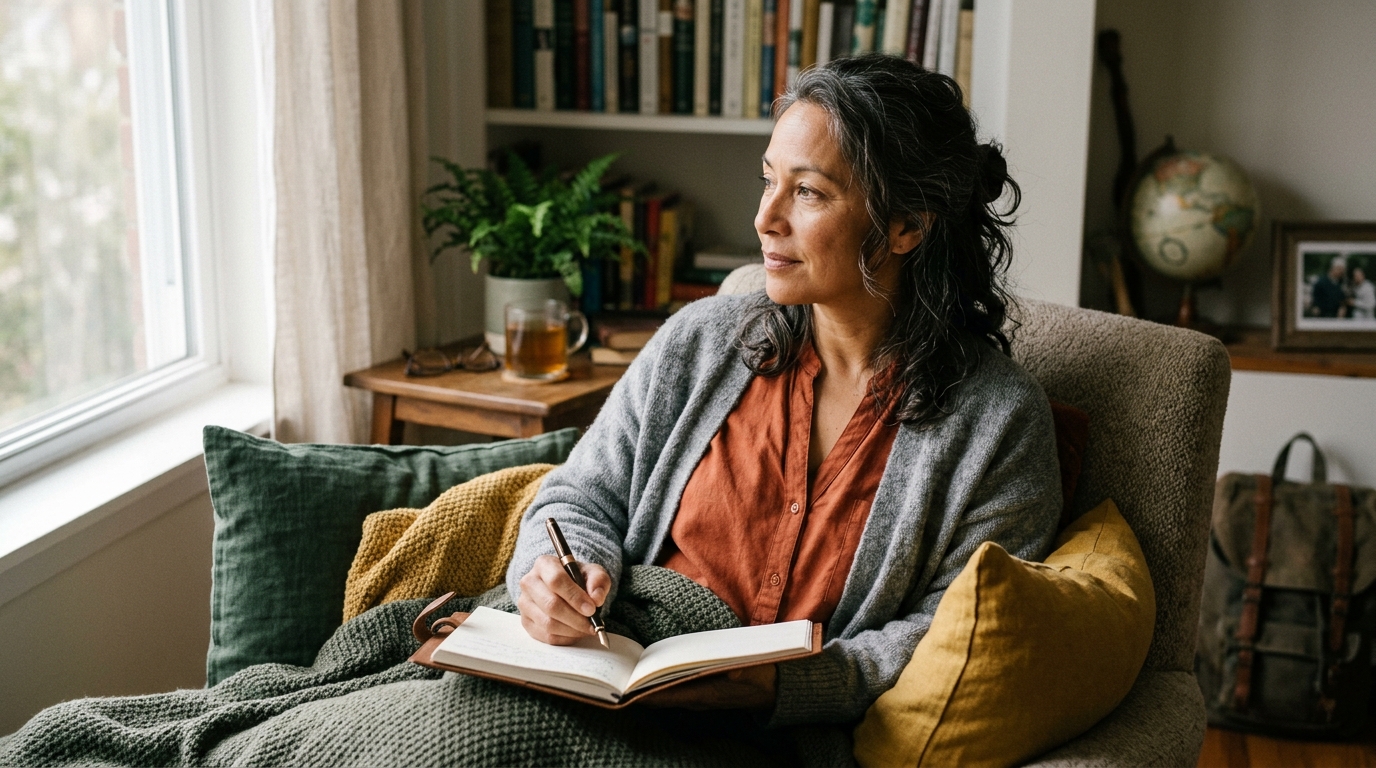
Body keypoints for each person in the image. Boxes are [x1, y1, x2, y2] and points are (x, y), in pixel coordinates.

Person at [506, 55, 1062, 724]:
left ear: (907, 224)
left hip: (761, 736)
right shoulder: (701, 340)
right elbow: (578, 498)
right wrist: (555, 576)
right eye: (769, 180)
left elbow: (956, 633)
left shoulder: (998, 422)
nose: (766, 217)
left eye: (809, 192)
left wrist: (788, 689)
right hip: (594, 672)